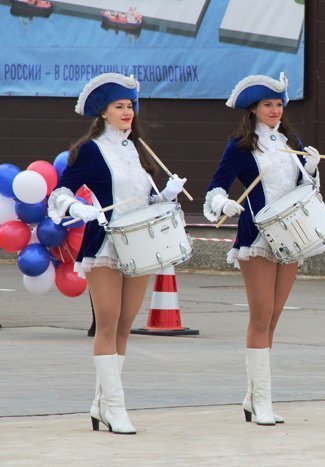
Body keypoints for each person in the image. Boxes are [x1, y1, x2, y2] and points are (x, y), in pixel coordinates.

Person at [48, 73, 187, 434]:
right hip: (104, 244)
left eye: (130, 106)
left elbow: (144, 201)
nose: (128, 112)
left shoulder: (137, 149)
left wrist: (166, 196)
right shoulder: (92, 149)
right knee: (108, 322)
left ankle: (100, 405)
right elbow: (60, 191)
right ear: (104, 113)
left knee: (125, 324)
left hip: (140, 242)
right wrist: (76, 208)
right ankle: (116, 407)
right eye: (120, 106)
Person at [203, 72, 322, 426]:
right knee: (260, 315)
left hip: (292, 235)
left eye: (279, 104)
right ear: (254, 109)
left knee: (273, 319)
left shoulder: (291, 140)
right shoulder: (240, 146)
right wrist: (223, 204)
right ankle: (263, 401)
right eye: (268, 104)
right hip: (256, 237)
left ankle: (254, 395)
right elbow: (215, 188)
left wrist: (311, 170)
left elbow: (303, 189)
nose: (275, 109)